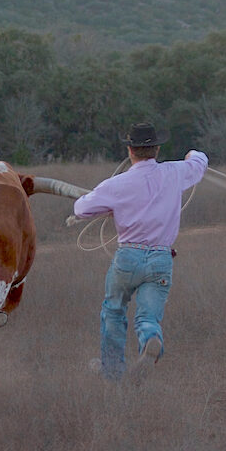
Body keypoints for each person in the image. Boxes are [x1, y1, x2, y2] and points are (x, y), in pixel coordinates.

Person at [73, 123, 208, 382]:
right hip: (161, 258)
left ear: (130, 150)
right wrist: (192, 154)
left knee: (113, 310)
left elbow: (81, 209)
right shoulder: (175, 172)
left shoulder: (117, 184)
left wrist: (106, 205)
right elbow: (199, 163)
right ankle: (150, 338)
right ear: (156, 149)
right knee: (148, 317)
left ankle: (112, 372)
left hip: (128, 257)